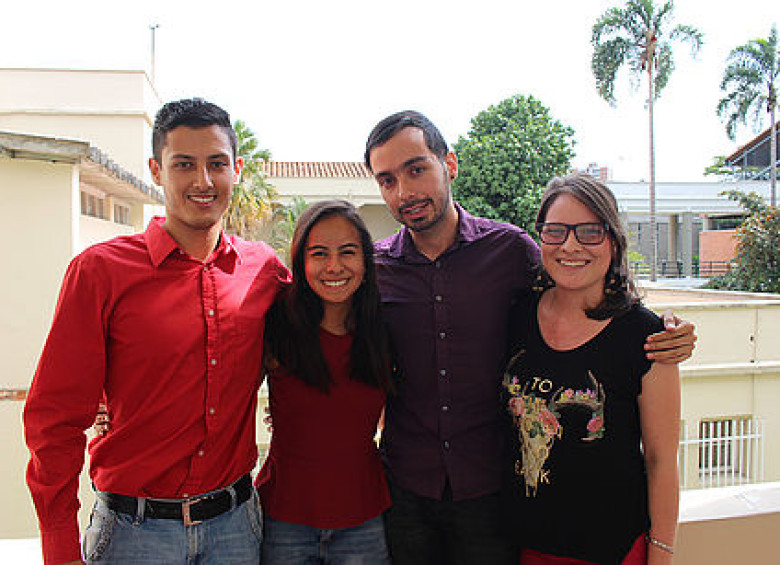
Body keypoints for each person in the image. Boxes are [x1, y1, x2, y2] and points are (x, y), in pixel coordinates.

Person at [363, 111, 695, 564]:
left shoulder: (511, 251)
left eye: (416, 169)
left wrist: (666, 324)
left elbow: (583, 284)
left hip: (493, 495)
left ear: (450, 165)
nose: (405, 191)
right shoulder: (374, 270)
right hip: (405, 491)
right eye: (387, 180)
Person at [23, 98, 289, 565]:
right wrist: (59, 546)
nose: (203, 181)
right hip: (132, 537)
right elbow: (54, 419)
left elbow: (323, 338)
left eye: (216, 164)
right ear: (156, 169)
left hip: (236, 532)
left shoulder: (263, 269)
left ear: (237, 169)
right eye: (184, 164)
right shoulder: (100, 272)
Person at [501, 173, 680, 564]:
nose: (570, 245)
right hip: (522, 545)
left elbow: (661, 459)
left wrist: (662, 553)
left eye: (589, 232)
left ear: (614, 242)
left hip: (610, 550)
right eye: (555, 231)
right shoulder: (514, 316)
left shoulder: (646, 335)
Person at [256, 200, 395, 563]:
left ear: (366, 260)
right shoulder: (275, 325)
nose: (334, 267)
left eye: (347, 252)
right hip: (284, 518)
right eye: (319, 254)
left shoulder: (384, 328)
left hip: (363, 520)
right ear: (302, 262)